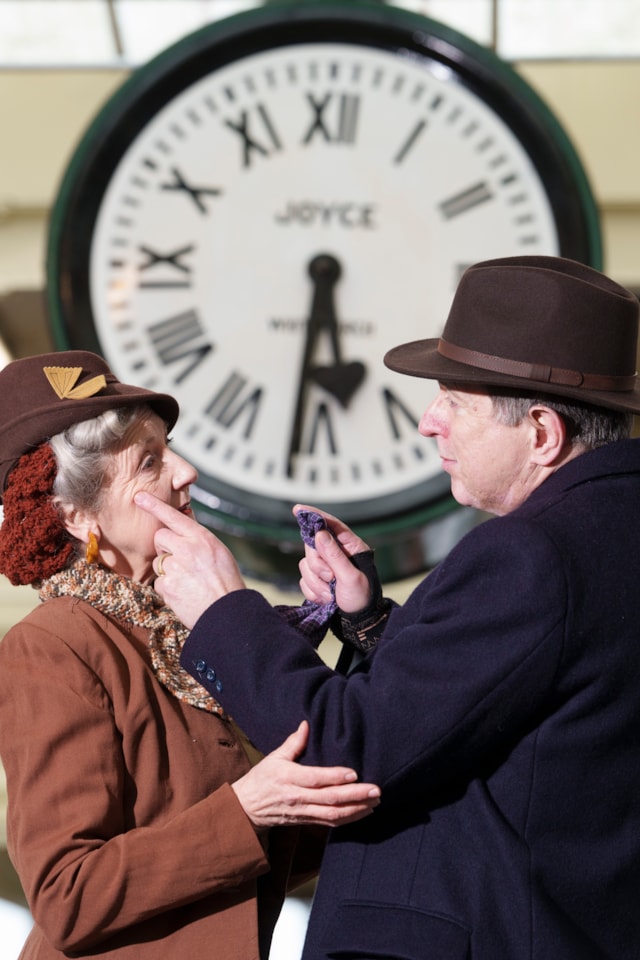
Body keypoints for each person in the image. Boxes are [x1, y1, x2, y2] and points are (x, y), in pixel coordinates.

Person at [136, 255, 640, 959]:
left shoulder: (532, 556)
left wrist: (224, 609)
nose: (430, 421)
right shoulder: (609, 533)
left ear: (543, 432)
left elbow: (352, 751)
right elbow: (510, 704)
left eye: (455, 402)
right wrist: (370, 619)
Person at [0, 350, 381, 960]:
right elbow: (65, 896)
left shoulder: (180, 631)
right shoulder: (52, 645)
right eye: (149, 461)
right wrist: (247, 809)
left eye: (169, 447)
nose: (186, 472)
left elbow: (280, 838)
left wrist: (358, 626)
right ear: (74, 516)